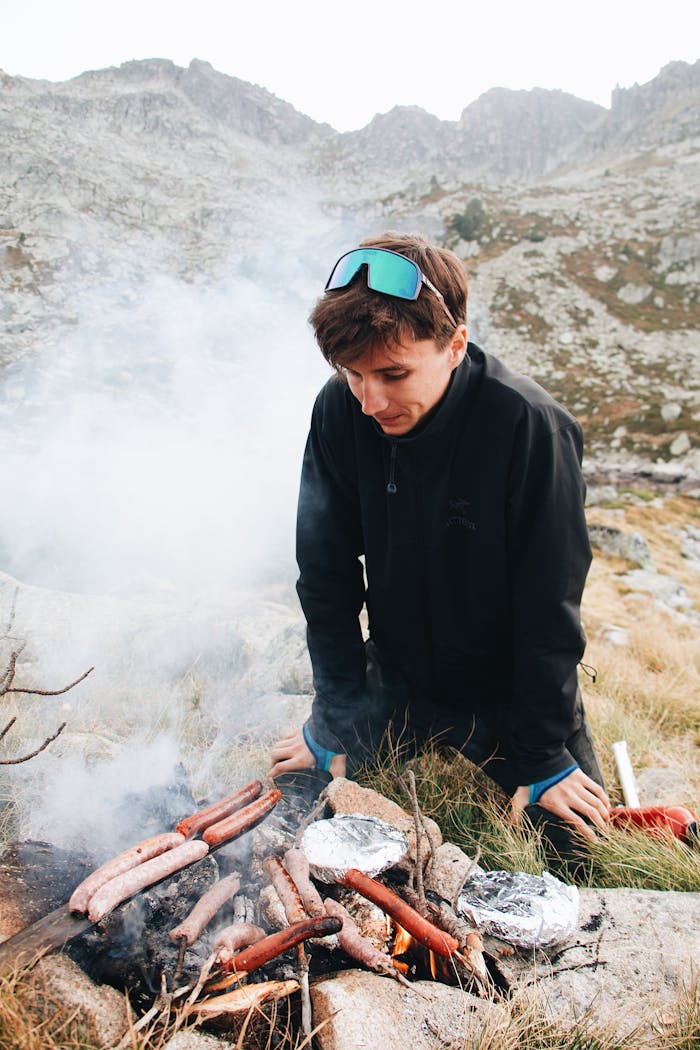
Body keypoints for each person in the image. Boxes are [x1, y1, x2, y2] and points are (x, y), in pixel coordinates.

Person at [270, 231, 610, 859]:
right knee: (292, 809)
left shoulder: (529, 426)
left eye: (393, 374)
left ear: (455, 344)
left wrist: (541, 752)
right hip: (395, 679)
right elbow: (326, 577)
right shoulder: (338, 413)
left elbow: (549, 606)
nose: (370, 401)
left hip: (507, 693)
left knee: (579, 851)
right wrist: (335, 722)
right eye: (352, 374)